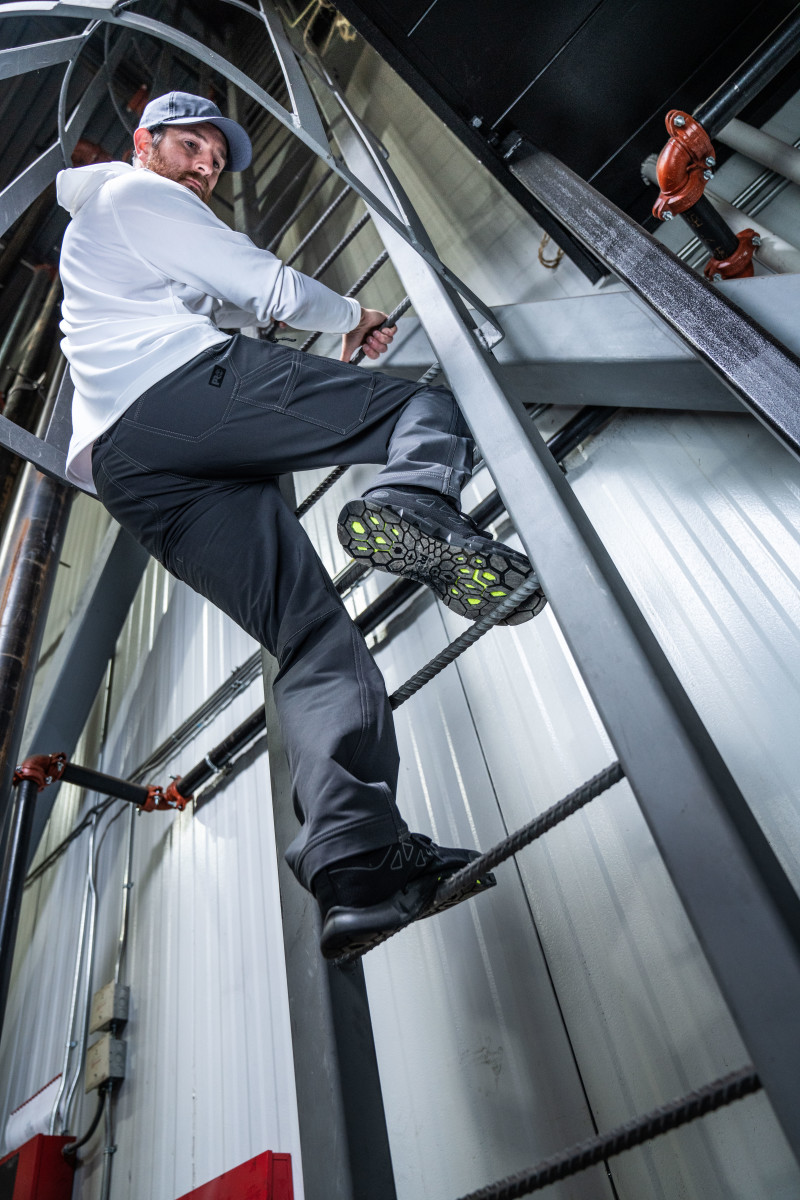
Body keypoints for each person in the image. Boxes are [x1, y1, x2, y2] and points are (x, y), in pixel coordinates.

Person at [56, 91, 545, 959]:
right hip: (175, 395)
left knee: (313, 639)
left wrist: (292, 324)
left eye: (217, 159)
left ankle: (355, 858)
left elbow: (237, 308)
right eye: (193, 146)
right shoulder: (135, 194)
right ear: (145, 143)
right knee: (421, 410)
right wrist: (356, 316)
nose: (207, 167)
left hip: (135, 477)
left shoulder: (116, 239)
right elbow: (269, 287)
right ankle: (415, 500)